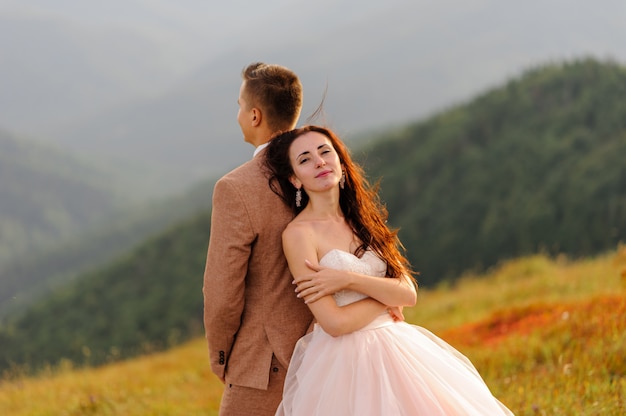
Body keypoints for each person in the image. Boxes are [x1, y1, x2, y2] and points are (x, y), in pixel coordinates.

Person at [264, 125, 515, 415]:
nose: (319, 161)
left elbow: (408, 292)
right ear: (295, 179)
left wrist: (348, 279)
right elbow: (334, 323)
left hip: (399, 346)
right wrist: (386, 298)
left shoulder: (362, 219)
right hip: (343, 364)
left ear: (341, 163)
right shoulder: (298, 235)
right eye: (305, 159)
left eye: (325, 152)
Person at [202, 62, 313, 415]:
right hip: (329, 349)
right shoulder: (326, 170)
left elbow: (222, 292)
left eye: (238, 106)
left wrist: (222, 357)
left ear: (254, 116)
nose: (236, 115)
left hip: (265, 362)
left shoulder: (236, 188)